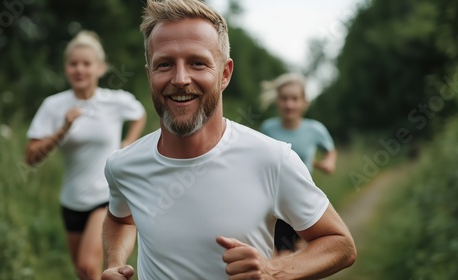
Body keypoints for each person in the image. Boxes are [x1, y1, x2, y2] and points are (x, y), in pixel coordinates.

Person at [101, 0, 355, 279]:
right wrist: (114, 262)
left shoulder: (272, 159)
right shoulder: (123, 165)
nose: (181, 79)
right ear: (150, 75)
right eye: (165, 64)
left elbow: (340, 243)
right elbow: (119, 218)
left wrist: (273, 270)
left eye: (197, 63)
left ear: (224, 74)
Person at [25, 30, 146, 280]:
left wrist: (127, 142)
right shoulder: (54, 105)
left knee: (90, 267)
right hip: (71, 201)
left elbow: (140, 113)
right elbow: (31, 157)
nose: (79, 69)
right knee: (83, 273)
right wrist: (63, 129)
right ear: (66, 68)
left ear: (100, 68)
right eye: (73, 63)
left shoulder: (115, 101)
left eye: (86, 63)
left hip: (105, 196)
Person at [260, 73, 338, 254]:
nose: (289, 104)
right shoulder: (267, 128)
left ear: (304, 102)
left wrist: (329, 162)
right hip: (274, 200)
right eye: (284, 98)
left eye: (295, 99)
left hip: (303, 198)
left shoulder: (315, 129)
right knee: (280, 252)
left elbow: (331, 151)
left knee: (300, 252)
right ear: (277, 101)